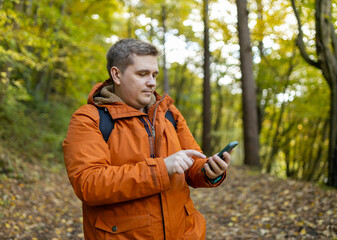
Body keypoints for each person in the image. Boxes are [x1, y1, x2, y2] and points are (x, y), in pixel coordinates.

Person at [63, 38, 232, 240]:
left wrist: (209, 171)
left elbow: (193, 163)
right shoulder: (89, 118)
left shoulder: (169, 113)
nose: (151, 82)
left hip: (185, 233)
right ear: (117, 74)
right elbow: (89, 184)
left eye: (154, 75)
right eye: (142, 74)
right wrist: (161, 168)